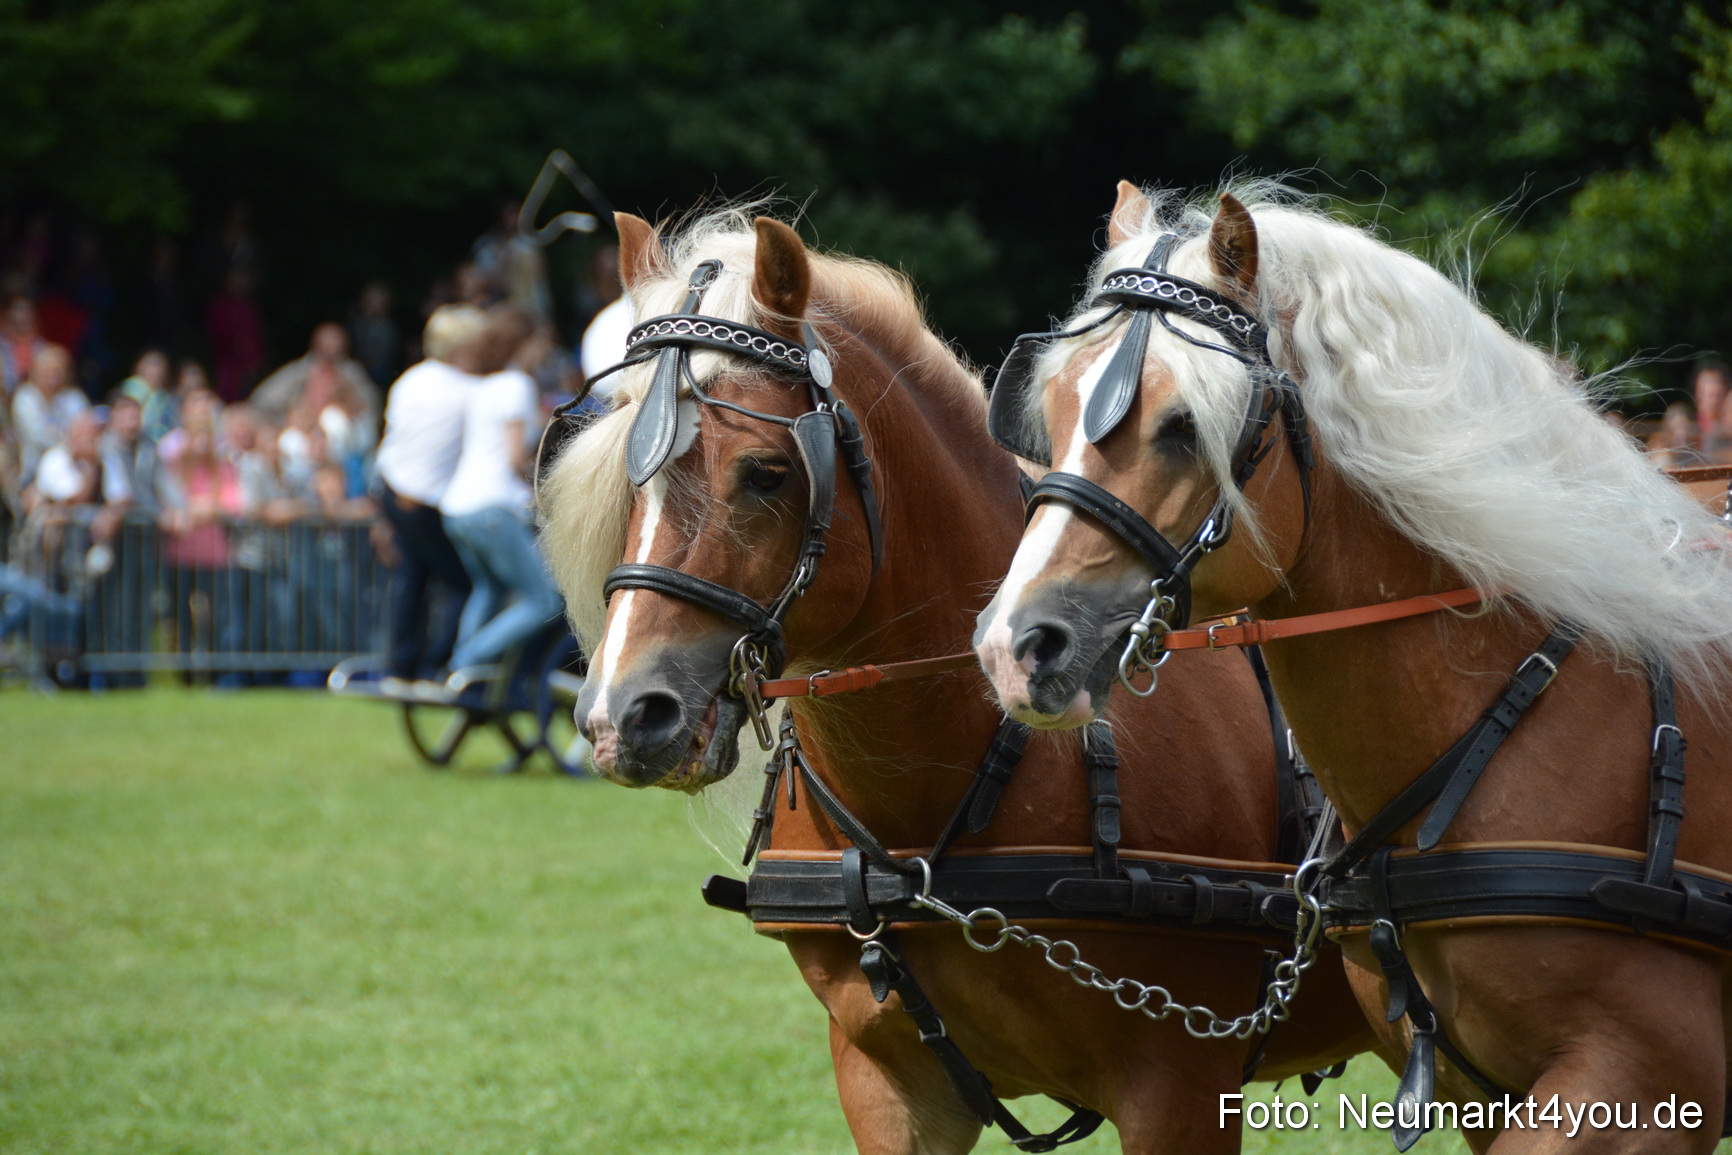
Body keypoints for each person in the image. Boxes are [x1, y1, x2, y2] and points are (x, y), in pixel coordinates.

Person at [439, 307, 562, 671]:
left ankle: (464, 679)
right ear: (524, 344)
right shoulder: (517, 384)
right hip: (492, 506)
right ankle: (465, 662)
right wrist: (544, 486)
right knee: (544, 599)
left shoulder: (485, 385)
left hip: (458, 507)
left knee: (489, 589)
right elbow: (514, 458)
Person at [373, 305, 489, 683]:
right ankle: (438, 663)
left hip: (392, 488)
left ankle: (400, 664)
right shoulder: (471, 390)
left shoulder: (411, 378)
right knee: (465, 582)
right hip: (426, 499)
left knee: (410, 577)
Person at [250, 321, 380, 456]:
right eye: (327, 346)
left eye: (337, 346)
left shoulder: (352, 373)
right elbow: (261, 400)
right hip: (302, 439)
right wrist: (283, 423)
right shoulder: (298, 372)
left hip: (343, 445)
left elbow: (371, 407)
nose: (332, 350)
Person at [12, 344, 89, 485]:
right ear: (37, 371)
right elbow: (37, 437)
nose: (55, 376)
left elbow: (86, 432)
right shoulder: (25, 398)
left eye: (59, 371)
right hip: (34, 470)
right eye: (49, 371)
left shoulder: (74, 397)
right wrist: (69, 439)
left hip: (72, 469)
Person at [204, 266, 264, 404]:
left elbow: (255, 338)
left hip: (248, 367)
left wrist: (255, 361)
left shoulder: (249, 307)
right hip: (227, 366)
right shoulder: (220, 306)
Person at [348, 281, 399, 390]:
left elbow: (386, 357)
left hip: (377, 377)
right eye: (369, 300)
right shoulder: (354, 324)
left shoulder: (387, 329)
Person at [119, 348, 177, 441]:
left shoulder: (165, 397)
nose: (156, 371)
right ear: (140, 367)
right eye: (152, 365)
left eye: (160, 366)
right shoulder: (127, 391)